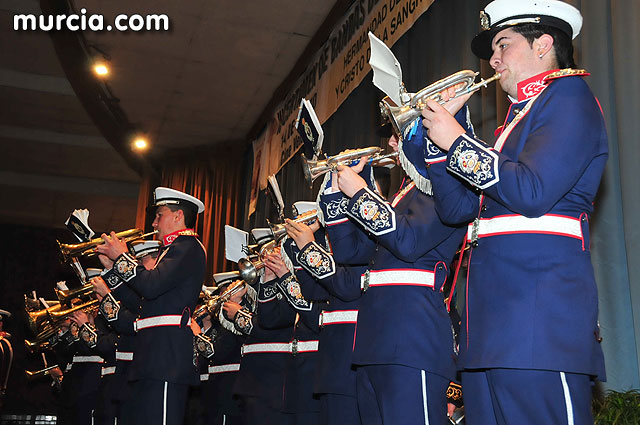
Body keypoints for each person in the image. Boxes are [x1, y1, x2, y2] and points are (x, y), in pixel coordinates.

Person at [420, 1, 608, 424]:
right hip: (492, 328)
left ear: (543, 44)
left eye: (503, 44)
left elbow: (532, 191)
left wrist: (457, 143)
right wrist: (440, 142)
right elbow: (456, 210)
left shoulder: (570, 96)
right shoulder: (514, 122)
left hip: (538, 324)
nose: (493, 59)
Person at [329, 129, 466, 424]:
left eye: (401, 133)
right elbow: (350, 253)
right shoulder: (402, 195)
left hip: (411, 342)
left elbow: (408, 241)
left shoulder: (442, 186)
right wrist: (334, 193)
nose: (392, 143)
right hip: (373, 343)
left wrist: (361, 194)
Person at [96, 187, 206, 425]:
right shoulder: (170, 250)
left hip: (167, 357)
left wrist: (123, 259)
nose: (154, 222)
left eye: (160, 215)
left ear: (178, 216)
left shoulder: (188, 246)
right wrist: (112, 268)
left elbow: (151, 286)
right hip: (151, 355)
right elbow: (141, 302)